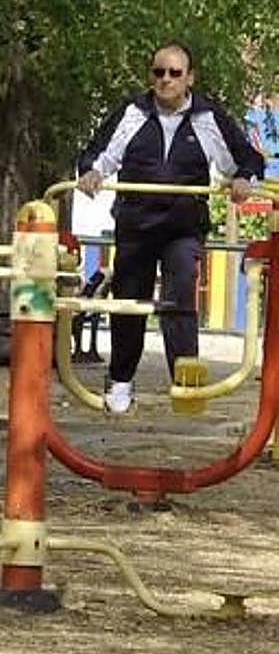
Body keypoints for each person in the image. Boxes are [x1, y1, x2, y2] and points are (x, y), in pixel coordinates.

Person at [76, 41, 264, 413]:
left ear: (189, 78)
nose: (165, 80)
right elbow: (98, 154)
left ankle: (184, 382)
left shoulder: (208, 117)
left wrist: (244, 181)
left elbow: (246, 161)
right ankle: (121, 382)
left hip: (182, 226)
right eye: (159, 72)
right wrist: (92, 173)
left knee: (179, 292)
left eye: (174, 73)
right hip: (136, 223)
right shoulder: (132, 113)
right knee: (129, 301)